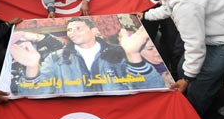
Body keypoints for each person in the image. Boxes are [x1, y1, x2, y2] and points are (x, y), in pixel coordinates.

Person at [10, 17, 165, 94]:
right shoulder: (56, 58)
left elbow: (154, 88)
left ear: (93, 30)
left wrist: (133, 57)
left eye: (78, 28)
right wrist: (32, 70)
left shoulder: (118, 53)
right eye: (69, 30)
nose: (72, 32)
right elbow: (35, 93)